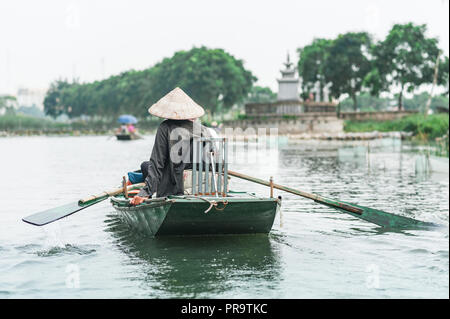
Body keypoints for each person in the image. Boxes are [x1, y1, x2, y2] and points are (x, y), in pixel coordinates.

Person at [130, 87, 212, 206]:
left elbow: (157, 163)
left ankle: (136, 181)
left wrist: (145, 193)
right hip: (202, 183)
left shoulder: (165, 127)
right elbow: (214, 161)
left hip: (177, 186)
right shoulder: (203, 130)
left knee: (145, 165)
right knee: (146, 166)